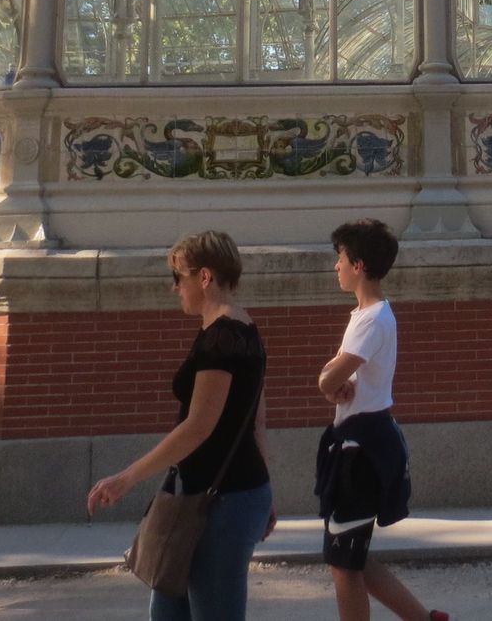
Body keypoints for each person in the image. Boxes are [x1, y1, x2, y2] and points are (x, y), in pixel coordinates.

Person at [87, 230, 276, 621]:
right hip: (221, 494)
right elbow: (257, 419)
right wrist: (266, 491)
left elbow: (198, 427)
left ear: (204, 277)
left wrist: (126, 478)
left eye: (179, 277)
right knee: (167, 610)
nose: (174, 288)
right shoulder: (244, 330)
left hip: (221, 502)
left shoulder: (221, 338)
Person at [316, 219, 449, 621]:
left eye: (340, 258)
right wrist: (334, 380)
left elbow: (330, 378)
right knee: (351, 555)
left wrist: (328, 383)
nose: (336, 266)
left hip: (361, 450)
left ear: (358, 265)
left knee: (344, 563)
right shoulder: (368, 315)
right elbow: (341, 374)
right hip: (362, 440)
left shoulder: (371, 319)